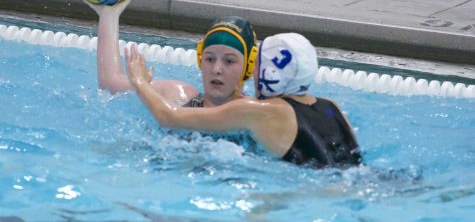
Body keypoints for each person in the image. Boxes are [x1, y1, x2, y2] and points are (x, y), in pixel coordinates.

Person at [125, 32, 362, 169]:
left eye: (259, 65)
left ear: (271, 72)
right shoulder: (331, 106)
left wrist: (139, 82)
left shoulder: (259, 111)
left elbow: (168, 117)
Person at [85, 0, 257, 108]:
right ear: (200, 60)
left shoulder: (259, 114)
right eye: (210, 58)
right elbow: (110, 83)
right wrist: (109, 14)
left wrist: (142, 86)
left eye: (229, 61)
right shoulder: (179, 96)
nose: (217, 69)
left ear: (248, 67)